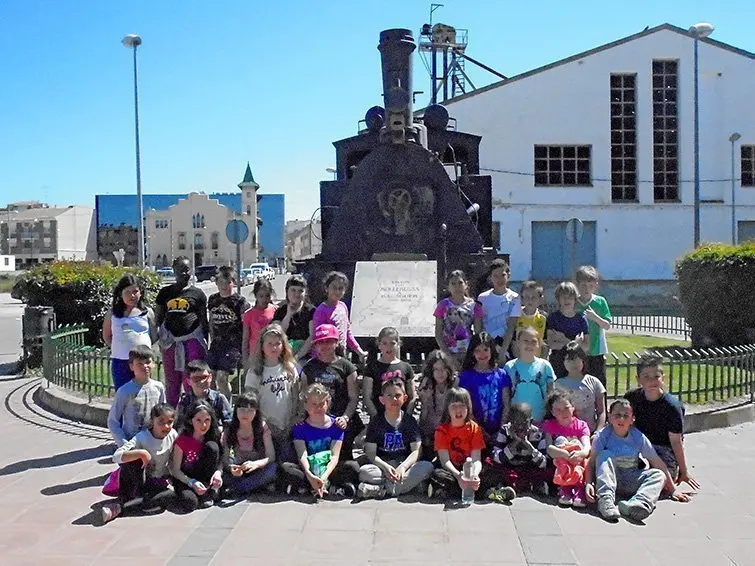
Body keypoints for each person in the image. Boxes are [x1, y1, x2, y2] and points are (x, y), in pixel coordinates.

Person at [584, 399, 690, 522]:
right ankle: (605, 501)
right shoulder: (603, 436)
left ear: (632, 419)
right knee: (604, 455)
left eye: (626, 416)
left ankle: (638, 504)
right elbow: (591, 463)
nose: (621, 419)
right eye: (617, 415)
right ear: (610, 417)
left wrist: (673, 490)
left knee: (658, 474)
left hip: (631, 477)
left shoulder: (638, 437)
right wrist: (588, 484)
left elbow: (657, 462)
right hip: (610, 478)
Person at [624, 354, 700, 490]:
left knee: (662, 479)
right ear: (638, 379)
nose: (651, 381)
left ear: (663, 379)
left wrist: (684, 471)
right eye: (646, 377)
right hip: (640, 445)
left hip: (663, 449)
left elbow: (676, 441)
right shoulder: (632, 398)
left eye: (656, 377)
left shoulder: (672, 407)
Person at [357, 379, 434, 499]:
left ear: (405, 398)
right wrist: (385, 467)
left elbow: (416, 451)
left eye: (398, 395)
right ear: (382, 400)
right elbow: (371, 453)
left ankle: (380, 490)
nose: (394, 399)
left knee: (427, 466)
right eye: (390, 396)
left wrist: (403, 467)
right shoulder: (376, 422)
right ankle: (404, 487)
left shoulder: (409, 421)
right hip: (383, 466)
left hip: (403, 464)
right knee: (364, 472)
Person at [102, 403, 178, 523]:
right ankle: (132, 501)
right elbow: (116, 456)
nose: (166, 426)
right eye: (161, 422)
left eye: (170, 422)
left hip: (156, 481)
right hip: (136, 481)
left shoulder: (173, 435)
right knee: (133, 458)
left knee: (169, 496)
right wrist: (141, 453)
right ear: (152, 421)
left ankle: (121, 508)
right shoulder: (142, 438)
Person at [280, 383, 360, 498]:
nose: (318, 408)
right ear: (306, 405)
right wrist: (309, 475)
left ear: (327, 404)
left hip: (329, 469)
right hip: (309, 469)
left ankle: (315, 487)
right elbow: (302, 456)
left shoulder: (336, 426)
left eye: (321, 404)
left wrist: (324, 477)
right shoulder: (299, 427)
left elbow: (334, 457)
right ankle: (321, 486)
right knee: (286, 468)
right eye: (314, 404)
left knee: (353, 467)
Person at [300, 324, 362, 461]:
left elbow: (353, 397)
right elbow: (305, 398)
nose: (325, 345)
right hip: (316, 420)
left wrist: (345, 418)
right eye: (320, 342)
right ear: (315, 345)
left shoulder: (347, 367)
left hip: (340, 420)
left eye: (329, 341)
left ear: (336, 343)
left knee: (344, 461)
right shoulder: (309, 368)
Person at [155, 256, 208, 406]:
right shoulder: (165, 293)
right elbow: (158, 318)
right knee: (172, 381)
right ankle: (172, 415)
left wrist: (206, 343)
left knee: (191, 380)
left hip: (192, 342)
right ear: (174, 271)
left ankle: (193, 411)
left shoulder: (198, 294)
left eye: (187, 270)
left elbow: (203, 320)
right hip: (171, 343)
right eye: (180, 270)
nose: (184, 273)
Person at [244, 323, 300, 462]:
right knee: (270, 462)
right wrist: (266, 423)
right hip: (265, 427)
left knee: (288, 462)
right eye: (270, 344)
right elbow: (250, 403)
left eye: (277, 344)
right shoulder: (255, 372)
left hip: (287, 425)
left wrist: (292, 420)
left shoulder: (290, 368)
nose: (274, 347)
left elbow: (295, 396)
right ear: (262, 346)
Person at [429, 387, 491, 500]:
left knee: (492, 472)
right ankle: (477, 492)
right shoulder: (441, 430)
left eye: (462, 405)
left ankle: (479, 490)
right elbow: (444, 461)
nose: (458, 410)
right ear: (447, 409)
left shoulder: (474, 428)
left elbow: (476, 458)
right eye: (454, 406)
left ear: (468, 407)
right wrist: (458, 476)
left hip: (471, 469)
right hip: (453, 471)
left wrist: (474, 475)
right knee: (437, 474)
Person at [487, 402, 550, 502]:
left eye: (524, 423)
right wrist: (514, 443)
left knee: (547, 471)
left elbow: (543, 463)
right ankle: (500, 491)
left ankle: (531, 486)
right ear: (510, 422)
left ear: (531, 421)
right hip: (509, 467)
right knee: (489, 464)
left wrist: (528, 445)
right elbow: (497, 457)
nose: (520, 427)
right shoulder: (505, 430)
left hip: (529, 468)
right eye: (516, 423)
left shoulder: (538, 433)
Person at [102, 274, 156, 391]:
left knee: (143, 392)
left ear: (140, 293)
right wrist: (119, 347)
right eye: (127, 292)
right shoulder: (112, 314)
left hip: (143, 362)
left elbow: (154, 335)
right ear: (120, 293)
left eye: (135, 291)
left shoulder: (148, 312)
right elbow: (107, 336)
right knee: (123, 393)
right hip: (120, 361)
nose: (132, 295)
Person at [169, 400, 224, 512]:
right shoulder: (182, 440)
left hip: (204, 477)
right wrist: (191, 482)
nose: (203, 425)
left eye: (207, 420)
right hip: (186, 479)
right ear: (190, 421)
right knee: (190, 502)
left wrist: (218, 474)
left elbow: (220, 461)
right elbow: (175, 470)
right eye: (198, 420)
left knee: (212, 447)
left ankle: (209, 490)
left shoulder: (214, 436)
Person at [221, 392, 277, 499]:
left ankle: (241, 488)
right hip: (239, 467)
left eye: (250, 410)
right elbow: (225, 458)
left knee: (273, 470)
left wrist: (256, 464)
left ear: (256, 413)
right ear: (236, 410)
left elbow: (271, 456)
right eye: (242, 409)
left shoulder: (262, 427)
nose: (245, 414)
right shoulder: (230, 428)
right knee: (223, 475)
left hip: (258, 467)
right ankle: (250, 487)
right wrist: (231, 468)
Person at [107, 345, 166, 447]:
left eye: (148, 362)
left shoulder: (159, 388)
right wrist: (124, 443)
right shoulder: (125, 391)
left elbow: (163, 414)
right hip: (132, 442)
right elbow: (113, 421)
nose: (144, 366)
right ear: (131, 366)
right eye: (139, 364)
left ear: (153, 364)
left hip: (153, 441)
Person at [457, 332, 512, 441]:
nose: (482, 354)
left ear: (492, 350)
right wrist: (480, 431)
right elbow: (466, 407)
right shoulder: (466, 376)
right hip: (474, 431)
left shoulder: (501, 374)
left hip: (499, 431)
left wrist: (501, 431)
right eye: (478, 351)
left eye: (485, 350)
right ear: (472, 353)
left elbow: (506, 404)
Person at [541, 390, 591, 508]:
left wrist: (580, 453)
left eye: (566, 408)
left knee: (583, 457)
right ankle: (566, 488)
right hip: (560, 458)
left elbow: (587, 447)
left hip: (578, 458)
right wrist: (564, 454)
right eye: (558, 409)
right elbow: (549, 448)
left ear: (573, 408)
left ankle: (580, 490)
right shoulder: (549, 425)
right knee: (561, 444)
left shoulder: (581, 425)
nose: (563, 412)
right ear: (552, 412)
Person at [206, 265, 250, 398]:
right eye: (220, 282)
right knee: (209, 378)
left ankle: (227, 409)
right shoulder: (213, 300)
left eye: (227, 282)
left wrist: (244, 350)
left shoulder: (240, 302)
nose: (224, 286)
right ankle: (213, 407)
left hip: (232, 346)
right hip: (216, 344)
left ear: (234, 282)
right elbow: (212, 323)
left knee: (222, 378)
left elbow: (246, 326)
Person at [503, 326, 555, 423]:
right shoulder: (509, 367)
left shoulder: (545, 366)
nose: (529, 344)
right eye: (525, 341)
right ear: (518, 343)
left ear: (539, 344)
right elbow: (506, 397)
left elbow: (551, 393)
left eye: (533, 341)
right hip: (516, 420)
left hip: (540, 419)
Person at [312, 271, 367, 362]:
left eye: (341, 288)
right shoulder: (321, 311)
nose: (337, 291)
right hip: (325, 357)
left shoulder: (343, 307)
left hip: (341, 355)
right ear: (327, 288)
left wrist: (360, 352)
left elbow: (347, 332)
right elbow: (318, 338)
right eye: (334, 288)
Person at [362, 326, 416, 419]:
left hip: (401, 416)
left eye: (392, 343)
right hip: (379, 416)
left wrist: (406, 416)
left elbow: (412, 396)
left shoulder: (406, 367)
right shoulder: (371, 367)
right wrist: (376, 418)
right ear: (379, 345)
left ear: (398, 344)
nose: (389, 347)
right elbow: (367, 397)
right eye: (385, 343)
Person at [554, 342, 606, 435]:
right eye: (569, 360)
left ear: (583, 359)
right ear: (563, 362)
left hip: (591, 432)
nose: (573, 363)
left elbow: (601, 412)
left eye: (576, 359)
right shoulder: (558, 385)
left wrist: (598, 432)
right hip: (567, 434)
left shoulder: (594, 382)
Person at [433, 270, 483, 368]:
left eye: (460, 283)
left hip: (468, 351)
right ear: (448, 286)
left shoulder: (474, 306)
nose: (457, 287)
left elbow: (478, 333)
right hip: (448, 351)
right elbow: (438, 333)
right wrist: (447, 355)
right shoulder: (443, 305)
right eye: (453, 284)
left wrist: (473, 353)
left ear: (466, 284)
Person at [476, 259, 521, 365]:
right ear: (490, 278)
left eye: (502, 275)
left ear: (508, 275)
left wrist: (503, 351)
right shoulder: (482, 298)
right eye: (495, 276)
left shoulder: (515, 297)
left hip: (506, 344)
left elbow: (511, 327)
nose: (499, 279)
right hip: (487, 344)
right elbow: (479, 325)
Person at [575, 265, 612, 386]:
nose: (586, 289)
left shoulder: (600, 302)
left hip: (597, 350)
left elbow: (607, 325)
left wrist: (595, 317)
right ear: (577, 284)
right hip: (579, 350)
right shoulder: (574, 302)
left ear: (595, 285)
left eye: (590, 286)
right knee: (581, 383)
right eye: (583, 285)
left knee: (599, 383)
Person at [418, 350, 458, 458]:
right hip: (430, 430)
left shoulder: (454, 384)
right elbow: (424, 413)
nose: (440, 373)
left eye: (443, 369)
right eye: (436, 369)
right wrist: (425, 398)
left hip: (449, 430)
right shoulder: (427, 384)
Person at [546, 282, 590, 379]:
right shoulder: (553, 318)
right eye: (563, 297)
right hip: (558, 362)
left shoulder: (581, 319)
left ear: (575, 299)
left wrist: (564, 340)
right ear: (558, 299)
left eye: (570, 297)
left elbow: (586, 346)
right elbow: (552, 344)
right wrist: (575, 343)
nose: (567, 300)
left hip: (577, 362)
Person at [176, 360, 232, 431]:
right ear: (189, 381)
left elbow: (229, 422)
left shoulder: (219, 399)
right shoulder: (185, 401)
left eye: (204, 377)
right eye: (196, 379)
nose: (201, 382)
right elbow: (179, 425)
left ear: (210, 378)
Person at [272, 274, 315, 362]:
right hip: (283, 355)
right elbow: (277, 334)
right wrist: (288, 314)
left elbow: (312, 336)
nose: (297, 294)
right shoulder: (280, 311)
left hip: (305, 355)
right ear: (287, 291)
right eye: (293, 290)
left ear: (305, 293)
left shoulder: (311, 311)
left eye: (300, 291)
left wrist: (297, 357)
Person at [242, 279, 277, 371]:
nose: (264, 299)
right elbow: (245, 339)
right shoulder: (248, 314)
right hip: (255, 354)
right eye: (261, 296)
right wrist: (246, 360)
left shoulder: (276, 311)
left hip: (272, 352)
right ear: (255, 296)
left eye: (267, 296)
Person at [514, 281, 548, 358]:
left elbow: (545, 343)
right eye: (527, 297)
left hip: (537, 360)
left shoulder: (543, 317)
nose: (530, 300)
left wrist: (543, 361)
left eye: (534, 297)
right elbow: (513, 342)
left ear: (540, 299)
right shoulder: (516, 315)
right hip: (520, 359)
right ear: (522, 299)